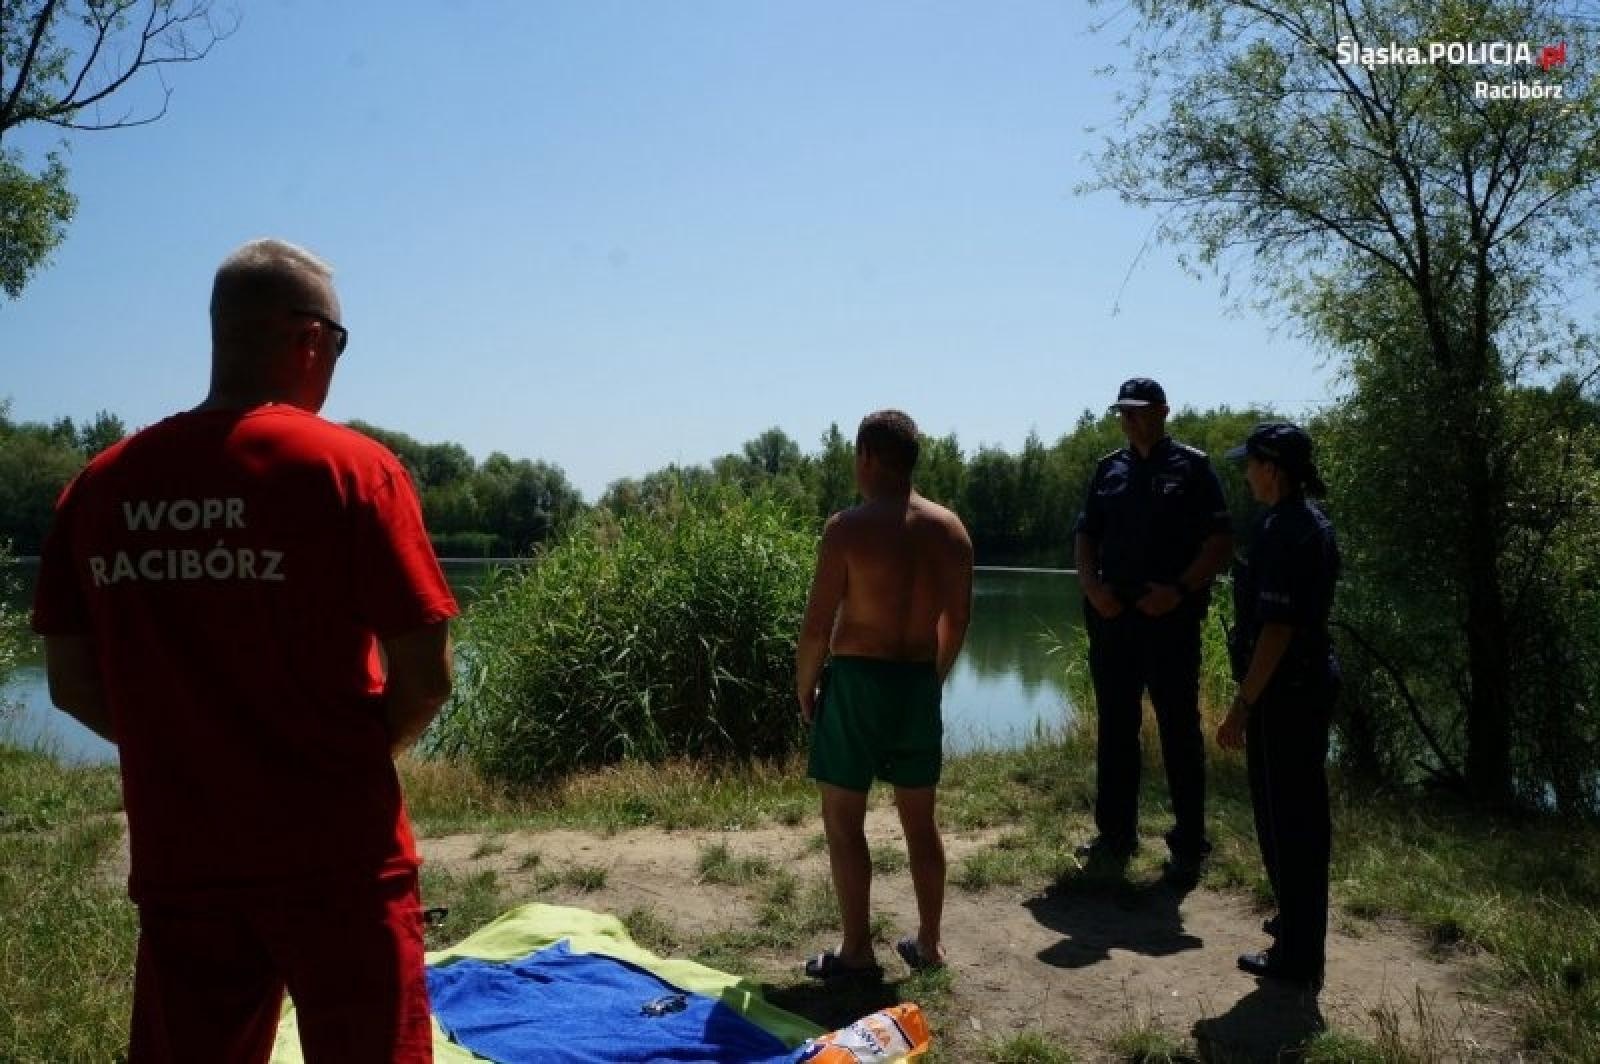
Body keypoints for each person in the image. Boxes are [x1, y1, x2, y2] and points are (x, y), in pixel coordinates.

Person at [31, 238, 458, 1062]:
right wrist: (352, 754)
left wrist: (188, 751)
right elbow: (427, 674)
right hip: (341, 859)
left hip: (184, 855)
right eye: (338, 345)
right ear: (308, 339)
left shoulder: (103, 485)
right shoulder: (352, 470)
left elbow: (71, 683)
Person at [795, 409, 974, 979]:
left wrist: (806, 689)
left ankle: (856, 952)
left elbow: (816, 628)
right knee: (921, 822)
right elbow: (957, 622)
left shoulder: (846, 528)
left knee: (844, 821)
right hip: (915, 682)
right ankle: (929, 944)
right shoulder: (950, 530)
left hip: (856, 683)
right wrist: (932, 679)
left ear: (867, 456)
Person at [1074, 377, 1233, 882]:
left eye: (1139, 411)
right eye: (1123, 412)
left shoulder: (1193, 467)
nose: (1129, 419)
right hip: (1113, 619)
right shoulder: (1108, 470)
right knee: (1116, 727)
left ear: (1163, 412)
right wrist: (1092, 589)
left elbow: (1220, 541)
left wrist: (1180, 591)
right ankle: (1114, 833)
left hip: (1171, 618)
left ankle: (1189, 838)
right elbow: (1085, 536)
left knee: (1179, 729)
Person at [1216, 422, 1341, 992]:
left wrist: (1242, 705)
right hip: (1291, 693)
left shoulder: (1289, 531)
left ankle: (1298, 957)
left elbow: (1277, 631)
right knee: (1285, 818)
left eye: (1251, 464)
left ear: (1273, 468)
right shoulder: (1292, 524)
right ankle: (1295, 928)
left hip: (1287, 696)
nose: (1245, 475)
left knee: (1292, 824)